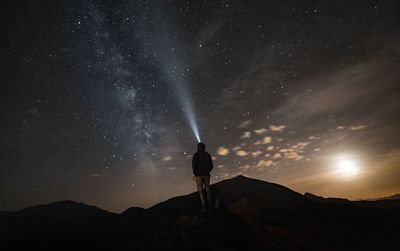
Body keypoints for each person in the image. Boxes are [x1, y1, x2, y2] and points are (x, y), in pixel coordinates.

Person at [192, 142, 213, 211]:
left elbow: (194, 165)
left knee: (200, 191)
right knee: (208, 190)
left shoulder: (196, 155)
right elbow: (211, 166)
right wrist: (207, 171)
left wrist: (195, 173)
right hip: (206, 175)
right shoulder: (208, 155)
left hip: (199, 176)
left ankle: (204, 205)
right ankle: (210, 205)